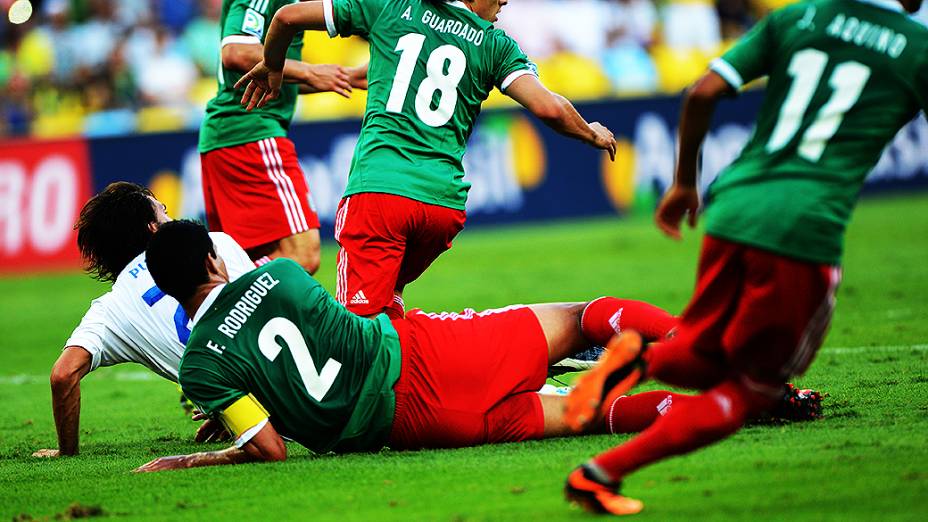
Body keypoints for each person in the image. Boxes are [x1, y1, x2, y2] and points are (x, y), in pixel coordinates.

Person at [561, 0, 928, 514]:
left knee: (706, 353)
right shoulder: (916, 47)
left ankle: (637, 359)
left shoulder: (798, 16)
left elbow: (703, 91)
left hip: (734, 204)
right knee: (752, 392)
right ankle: (600, 473)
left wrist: (685, 182)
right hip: (802, 226)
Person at [135, 221, 820, 471]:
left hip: (413, 428)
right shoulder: (280, 273)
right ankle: (732, 363)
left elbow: (271, 447)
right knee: (582, 319)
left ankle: (744, 409)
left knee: (585, 413)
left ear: (168, 291)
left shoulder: (200, 366)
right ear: (216, 262)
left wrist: (193, 458)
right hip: (427, 354)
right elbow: (318, 331)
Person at [235, 0, 618, 319]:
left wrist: (273, 64)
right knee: (388, 303)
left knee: (354, 330)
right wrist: (589, 131)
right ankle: (411, 397)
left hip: (381, 193)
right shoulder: (496, 45)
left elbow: (286, 16)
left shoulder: (391, 6)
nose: (505, 2)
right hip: (442, 208)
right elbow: (549, 108)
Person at [32, 182, 256, 458]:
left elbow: (63, 375)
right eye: (163, 211)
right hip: (298, 385)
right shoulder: (216, 243)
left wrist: (230, 405)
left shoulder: (109, 311)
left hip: (252, 418)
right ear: (154, 227)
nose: (171, 216)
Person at [199, 0, 360, 273]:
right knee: (302, 254)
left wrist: (343, 77)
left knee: (241, 257)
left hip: (232, 136)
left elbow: (267, 77)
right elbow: (236, 52)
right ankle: (202, 286)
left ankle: (204, 294)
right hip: (250, 131)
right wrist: (309, 71)